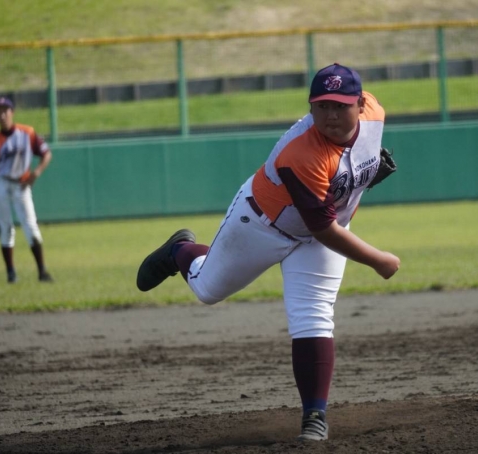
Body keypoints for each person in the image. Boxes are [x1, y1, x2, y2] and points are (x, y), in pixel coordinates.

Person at [136, 63, 400, 441]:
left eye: (341, 106)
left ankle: (314, 417)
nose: (330, 115)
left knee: (313, 316)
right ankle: (179, 249)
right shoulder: (301, 153)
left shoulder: (375, 115)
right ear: (310, 107)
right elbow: (323, 228)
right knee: (208, 289)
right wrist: (379, 260)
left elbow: (342, 185)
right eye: (322, 106)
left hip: (319, 236)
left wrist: (362, 175)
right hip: (262, 225)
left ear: (361, 104)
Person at [0, 96, 54, 283]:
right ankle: (11, 274)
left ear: (12, 112)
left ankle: (42, 272)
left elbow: (46, 154)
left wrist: (36, 173)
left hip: (22, 184)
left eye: (5, 111)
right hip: (1, 184)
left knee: (31, 226)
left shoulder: (27, 133)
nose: (2, 115)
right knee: (6, 228)